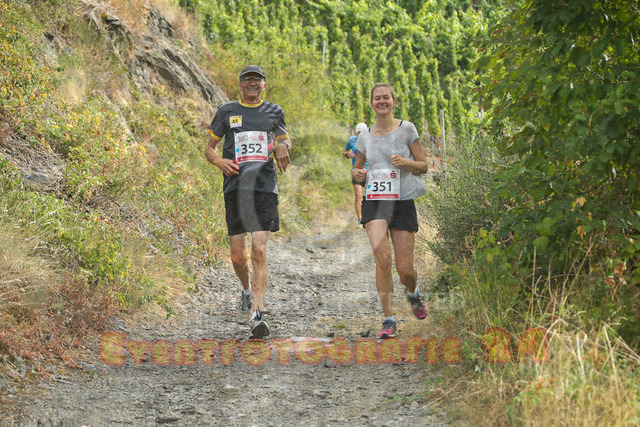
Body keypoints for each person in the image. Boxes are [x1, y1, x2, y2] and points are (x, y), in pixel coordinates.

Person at [205, 65, 291, 339]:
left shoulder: (274, 111)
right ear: (240, 84)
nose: (252, 83)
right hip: (236, 187)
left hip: (265, 187)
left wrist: (283, 146)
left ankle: (257, 314)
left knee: (259, 251)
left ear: (264, 84)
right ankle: (245, 291)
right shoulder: (226, 111)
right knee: (237, 256)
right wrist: (219, 161)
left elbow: (285, 139)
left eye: (257, 80)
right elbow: (209, 149)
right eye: (247, 79)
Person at [352, 83, 429, 339]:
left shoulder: (407, 129)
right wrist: (358, 174)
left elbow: (424, 166)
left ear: (394, 102)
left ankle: (412, 293)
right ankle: (388, 319)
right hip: (375, 201)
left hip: (402, 200)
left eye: (386, 97)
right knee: (382, 256)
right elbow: (358, 169)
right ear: (371, 103)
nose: (381, 101)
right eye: (377, 98)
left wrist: (405, 162)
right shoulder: (364, 136)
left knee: (405, 270)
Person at [342, 122, 368, 221]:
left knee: (370, 196)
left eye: (362, 132)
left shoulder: (372, 139)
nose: (360, 135)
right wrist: (347, 155)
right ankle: (360, 218)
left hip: (369, 171)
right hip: (357, 171)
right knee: (358, 195)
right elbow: (344, 151)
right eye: (358, 133)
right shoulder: (352, 140)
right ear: (356, 132)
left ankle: (370, 217)